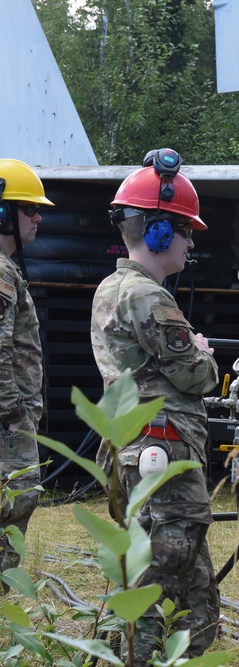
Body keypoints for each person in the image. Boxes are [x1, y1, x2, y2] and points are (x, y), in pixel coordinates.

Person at [90, 149, 220, 664]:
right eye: (185, 231)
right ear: (159, 232)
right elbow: (196, 375)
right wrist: (202, 352)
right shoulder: (149, 298)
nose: (191, 242)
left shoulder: (112, 288)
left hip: (135, 448)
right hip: (161, 454)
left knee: (178, 580)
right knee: (165, 579)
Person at [0, 158, 52, 577]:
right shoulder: (1, 272)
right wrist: (14, 413)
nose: (38, 217)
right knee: (15, 502)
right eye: (29, 208)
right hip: (8, 423)